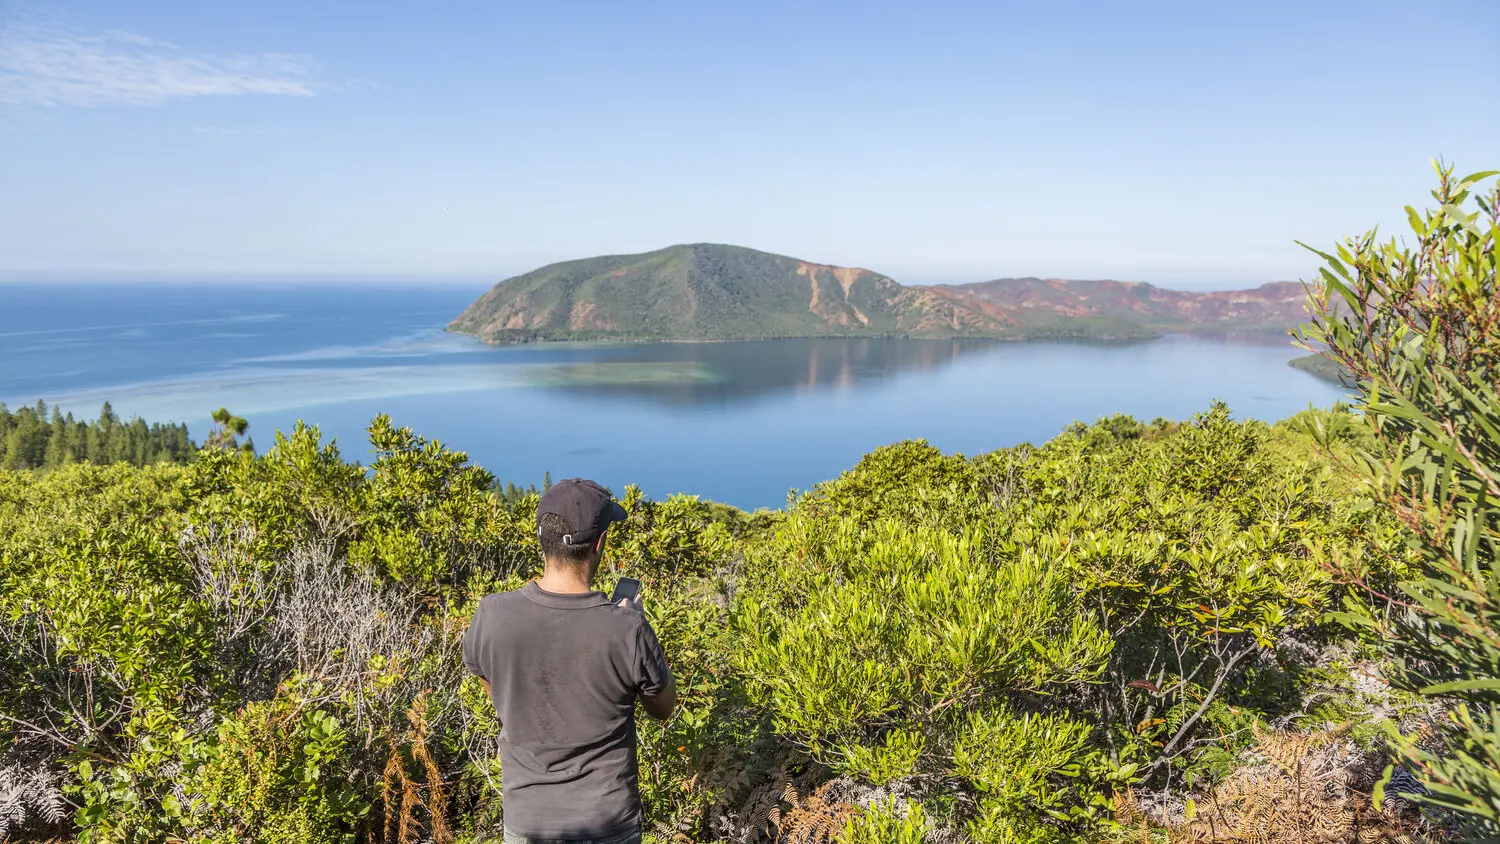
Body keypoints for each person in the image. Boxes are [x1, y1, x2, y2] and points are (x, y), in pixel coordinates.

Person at [463, 478, 677, 844]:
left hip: (527, 822)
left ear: (541, 538)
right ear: (599, 544)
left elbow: (497, 692)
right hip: (606, 823)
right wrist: (633, 625)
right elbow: (663, 706)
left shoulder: (491, 614)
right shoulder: (626, 628)